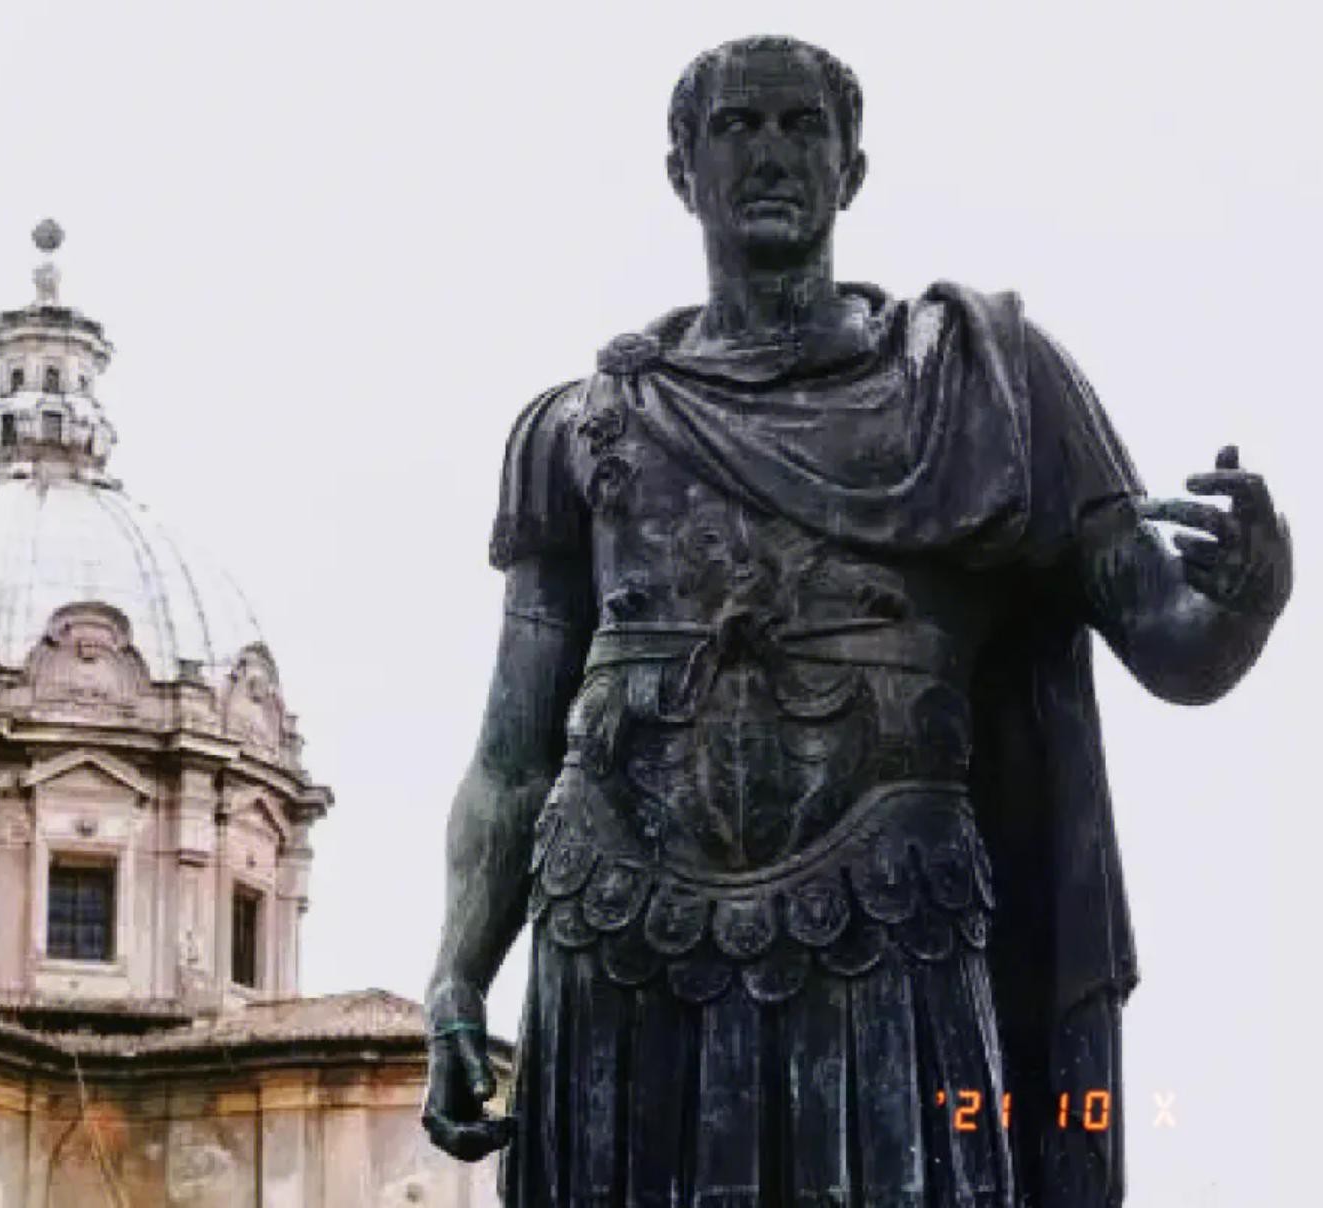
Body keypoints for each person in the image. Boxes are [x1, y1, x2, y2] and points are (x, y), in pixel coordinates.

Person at [422, 35, 1292, 1206]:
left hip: (884, 933)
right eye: (735, 126)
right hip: (617, 941)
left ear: (851, 168)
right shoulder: (574, 428)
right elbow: (510, 754)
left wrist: (1243, 599)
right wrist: (457, 974)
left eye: (801, 127)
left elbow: (1172, 644)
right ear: (681, 170)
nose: (769, 152)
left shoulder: (984, 386)